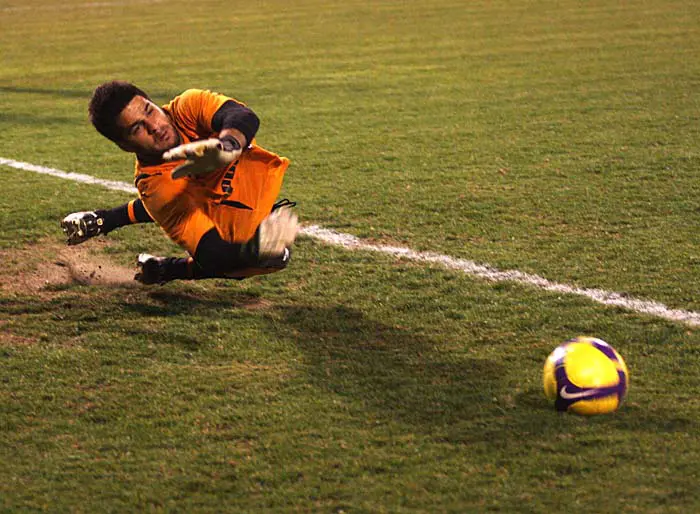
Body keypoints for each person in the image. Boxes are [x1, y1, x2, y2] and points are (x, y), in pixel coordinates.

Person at [60, 80, 298, 285]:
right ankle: (170, 268)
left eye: (149, 111)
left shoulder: (187, 107)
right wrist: (255, 250)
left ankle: (106, 219)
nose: (154, 126)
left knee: (184, 199)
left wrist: (227, 147)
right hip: (225, 216)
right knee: (268, 260)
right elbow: (211, 254)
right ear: (125, 145)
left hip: (229, 190)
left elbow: (242, 115)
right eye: (137, 128)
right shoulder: (155, 186)